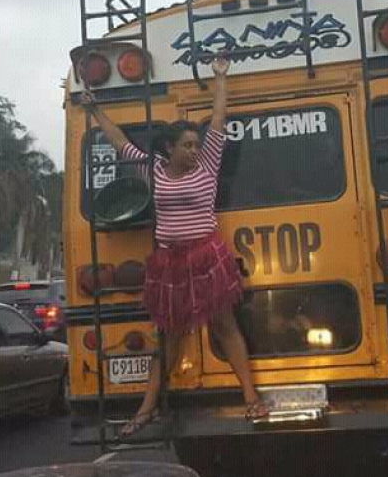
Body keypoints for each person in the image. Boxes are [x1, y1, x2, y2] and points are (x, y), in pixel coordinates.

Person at [80, 56, 270, 437]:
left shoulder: (208, 164)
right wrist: (95, 111)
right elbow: (119, 142)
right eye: (186, 145)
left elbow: (218, 119)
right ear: (169, 148)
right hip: (169, 261)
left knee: (225, 327)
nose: (194, 150)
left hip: (206, 257)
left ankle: (251, 398)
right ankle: (145, 409)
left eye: (196, 145)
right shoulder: (153, 168)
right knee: (167, 338)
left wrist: (220, 78)